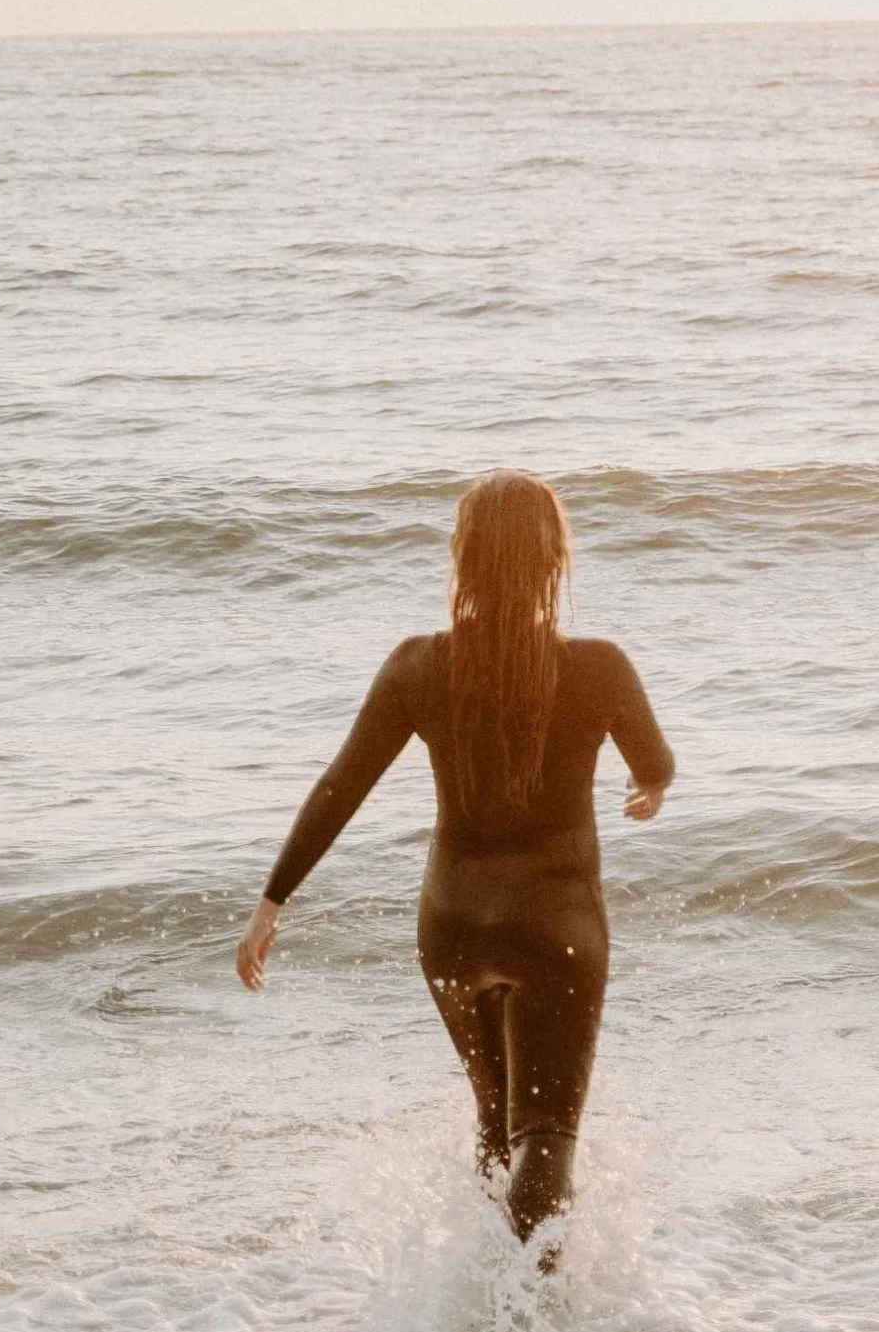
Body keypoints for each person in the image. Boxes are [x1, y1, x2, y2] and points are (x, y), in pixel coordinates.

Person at [236, 471, 674, 1241]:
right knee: (546, 1133)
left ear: (464, 560)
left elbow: (342, 784)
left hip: (453, 926)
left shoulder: (417, 666)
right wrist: (650, 786)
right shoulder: (599, 667)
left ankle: (481, 1300)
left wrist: (272, 901)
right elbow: (656, 759)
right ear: (553, 561)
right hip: (556, 926)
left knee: (495, 1114)